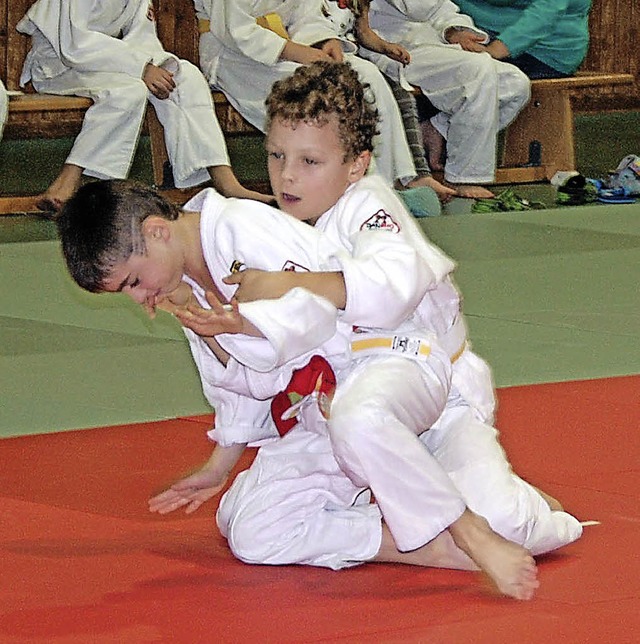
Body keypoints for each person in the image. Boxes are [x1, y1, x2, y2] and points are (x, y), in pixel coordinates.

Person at [56, 175, 552, 600]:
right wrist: (217, 468)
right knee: (252, 530)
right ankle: (422, 546)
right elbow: (243, 386)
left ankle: (475, 528)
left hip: (385, 366)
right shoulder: (185, 280)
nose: (141, 296)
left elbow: (312, 319)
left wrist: (237, 327)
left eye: (133, 282)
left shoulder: (241, 227)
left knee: (505, 519)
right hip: (321, 406)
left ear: (156, 231)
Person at [223, 59, 582, 568]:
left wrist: (293, 282)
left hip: (435, 404)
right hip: (338, 416)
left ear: (356, 164)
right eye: (277, 155)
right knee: (250, 528)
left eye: (309, 161)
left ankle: (523, 508)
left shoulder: (373, 210)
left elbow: (390, 286)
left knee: (505, 525)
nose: (285, 176)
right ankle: (407, 524)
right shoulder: (279, 231)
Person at [16, 0, 271, 213]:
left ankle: (225, 180)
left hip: (109, 64)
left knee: (187, 76)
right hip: (58, 65)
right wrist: (142, 68)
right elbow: (75, 43)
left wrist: (157, 66)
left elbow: (141, 38)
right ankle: (71, 179)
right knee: (127, 92)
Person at [193, 0, 436, 194]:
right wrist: (295, 52)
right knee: (320, 87)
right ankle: (348, 189)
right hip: (235, 56)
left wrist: (323, 39)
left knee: (366, 74)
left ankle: (388, 184)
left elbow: (307, 11)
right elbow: (232, 28)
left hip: (290, 45)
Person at [364, 0, 531, 198]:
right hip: (387, 47)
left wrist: (453, 29)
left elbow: (439, 8)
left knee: (515, 84)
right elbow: (416, 7)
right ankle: (463, 176)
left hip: (430, 44)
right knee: (477, 69)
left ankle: (437, 127)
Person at [321, 0, 456, 203]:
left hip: (353, 54)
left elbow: (363, 31)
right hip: (321, 57)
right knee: (371, 95)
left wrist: (385, 47)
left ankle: (412, 175)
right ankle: (384, 183)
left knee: (402, 96)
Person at [455, 0, 592, 79]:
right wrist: (452, 30)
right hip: (471, 30)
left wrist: (495, 50)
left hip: (541, 51)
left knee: (462, 75)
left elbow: (546, 13)